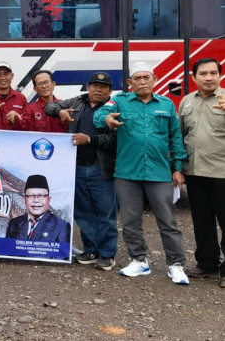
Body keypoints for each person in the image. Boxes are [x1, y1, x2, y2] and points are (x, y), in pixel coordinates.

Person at [94, 62, 189, 285]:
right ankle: (139, 260)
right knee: (130, 220)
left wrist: (178, 167)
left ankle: (175, 264)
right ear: (130, 83)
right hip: (127, 172)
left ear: (155, 79)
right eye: (137, 78)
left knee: (167, 221)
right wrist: (107, 119)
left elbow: (175, 138)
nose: (143, 81)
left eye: (147, 77)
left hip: (159, 172)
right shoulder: (119, 101)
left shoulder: (166, 105)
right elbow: (100, 115)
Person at [45, 72, 117, 270]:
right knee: (83, 212)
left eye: (103, 87)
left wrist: (90, 139)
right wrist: (59, 112)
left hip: (100, 168)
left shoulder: (114, 108)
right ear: (88, 86)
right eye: (94, 85)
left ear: (110, 91)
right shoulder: (77, 102)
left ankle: (108, 254)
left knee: (105, 213)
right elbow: (49, 106)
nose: (98, 89)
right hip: (76, 167)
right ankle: (91, 250)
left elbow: (114, 141)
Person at [178, 58, 225, 288]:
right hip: (195, 172)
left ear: (220, 75)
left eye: (213, 73)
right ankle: (208, 265)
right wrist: (177, 167)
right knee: (202, 221)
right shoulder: (186, 102)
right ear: (194, 77)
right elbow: (180, 136)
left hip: (222, 172)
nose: (209, 77)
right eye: (203, 73)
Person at [5, 174, 71, 243]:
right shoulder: (14, 223)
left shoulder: (61, 226)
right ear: (25, 199)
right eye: (31, 196)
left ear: (49, 199)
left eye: (41, 196)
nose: (36, 200)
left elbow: (62, 252)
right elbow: (6, 250)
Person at [0, 61, 27, 130]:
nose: (2, 78)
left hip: (15, 139)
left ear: (12, 76)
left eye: (6, 74)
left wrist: (16, 118)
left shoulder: (21, 98)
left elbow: (25, 125)